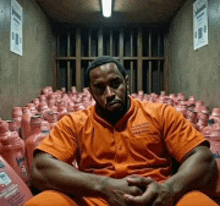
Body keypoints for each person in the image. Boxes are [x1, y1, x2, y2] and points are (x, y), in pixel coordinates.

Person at [25, 56, 218, 206]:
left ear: (127, 83)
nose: (109, 94)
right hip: (96, 199)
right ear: (90, 92)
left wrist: (169, 189)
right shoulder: (74, 123)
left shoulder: (161, 114)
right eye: (100, 88)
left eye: (115, 84)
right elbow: (41, 168)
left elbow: (203, 158)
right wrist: (104, 186)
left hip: (157, 198)